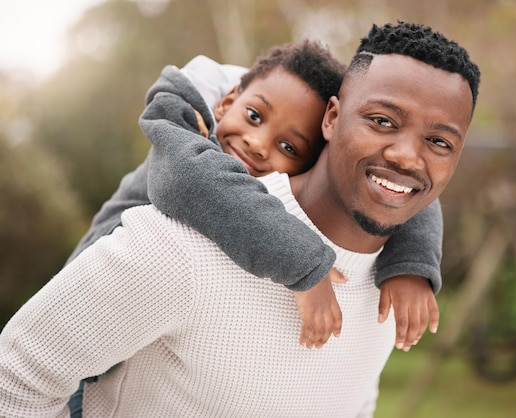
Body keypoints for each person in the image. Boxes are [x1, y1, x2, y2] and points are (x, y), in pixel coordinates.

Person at [0, 21, 480, 417]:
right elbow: (16, 381)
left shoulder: (393, 286)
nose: (406, 156)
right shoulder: (180, 236)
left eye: (440, 142)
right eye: (382, 120)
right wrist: (306, 265)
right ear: (332, 119)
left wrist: (416, 266)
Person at [69, 40, 444, 350]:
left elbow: (401, 182)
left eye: (289, 147)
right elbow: (190, 182)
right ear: (227, 101)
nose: (258, 144)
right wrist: (304, 264)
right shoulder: (183, 128)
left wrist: (412, 264)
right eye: (253, 117)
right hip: (82, 317)